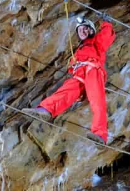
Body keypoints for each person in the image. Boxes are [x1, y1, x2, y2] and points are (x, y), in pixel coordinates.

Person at [32, 15, 115, 143]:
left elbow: (106, 37)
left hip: (93, 71)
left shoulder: (96, 43)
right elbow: (71, 67)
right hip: (79, 75)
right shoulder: (78, 51)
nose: (82, 31)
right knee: (65, 91)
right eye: (80, 30)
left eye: (85, 29)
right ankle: (46, 109)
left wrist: (107, 24)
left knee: (97, 102)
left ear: (92, 31)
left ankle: (100, 135)